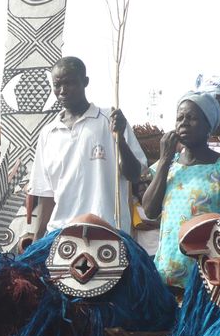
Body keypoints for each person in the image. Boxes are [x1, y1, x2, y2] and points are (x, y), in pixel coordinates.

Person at [142, 92, 220, 290]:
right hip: (167, 273)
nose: (183, 123)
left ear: (208, 126)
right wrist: (166, 159)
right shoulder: (168, 166)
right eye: (179, 118)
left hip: (211, 274)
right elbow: (150, 210)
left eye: (191, 118)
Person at [28, 56, 147, 240]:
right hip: (62, 234)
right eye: (57, 85)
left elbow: (134, 175)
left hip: (109, 231)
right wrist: (37, 240)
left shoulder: (110, 119)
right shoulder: (48, 133)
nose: (62, 91)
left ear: (85, 82)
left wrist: (120, 140)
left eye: (69, 83)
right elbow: (46, 195)